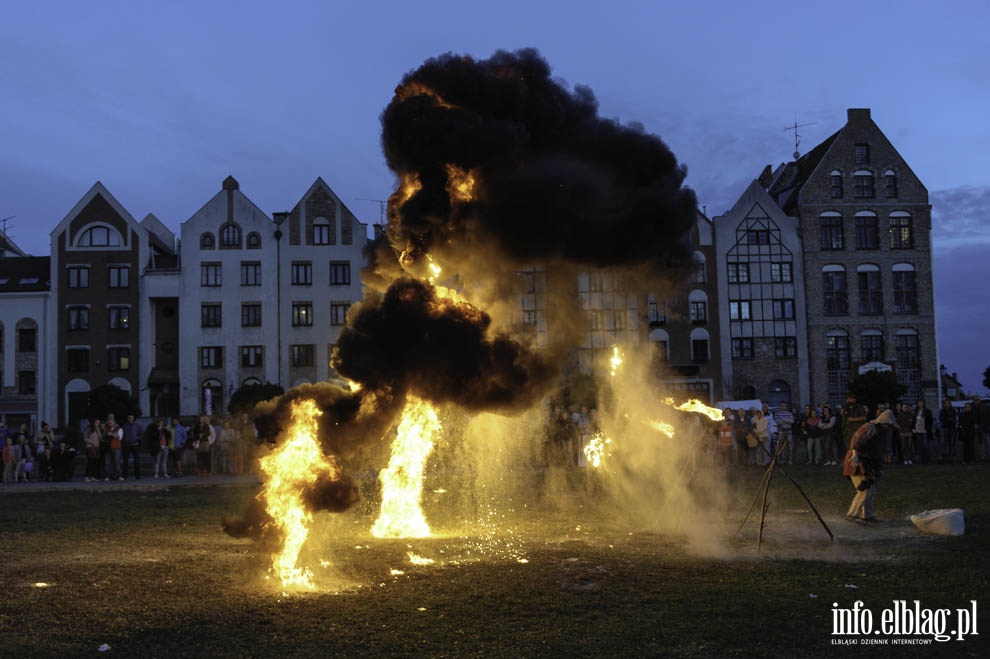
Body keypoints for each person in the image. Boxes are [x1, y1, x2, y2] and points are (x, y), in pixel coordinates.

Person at [843, 420, 884, 523]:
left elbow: (874, 453)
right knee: (863, 491)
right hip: (857, 464)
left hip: (865, 465)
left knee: (870, 490)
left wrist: (877, 469)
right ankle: (852, 514)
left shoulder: (876, 434)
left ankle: (867, 515)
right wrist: (854, 452)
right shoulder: (869, 428)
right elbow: (856, 439)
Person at [121, 414, 144, 480]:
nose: (130, 419)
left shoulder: (137, 426)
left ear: (134, 419)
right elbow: (122, 435)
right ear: (127, 419)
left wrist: (137, 438)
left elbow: (142, 434)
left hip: (135, 445)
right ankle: (125, 476)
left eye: (132, 418)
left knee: (136, 461)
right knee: (125, 461)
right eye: (129, 418)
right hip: (126, 446)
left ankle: (137, 476)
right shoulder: (125, 426)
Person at [913, 400, 933, 465]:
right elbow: (914, 420)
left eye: (921, 403)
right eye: (919, 403)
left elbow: (930, 421)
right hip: (918, 430)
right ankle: (922, 460)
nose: (920, 404)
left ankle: (927, 459)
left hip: (924, 431)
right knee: (920, 446)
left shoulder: (927, 411)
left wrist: (927, 428)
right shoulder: (916, 411)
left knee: (926, 446)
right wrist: (913, 428)